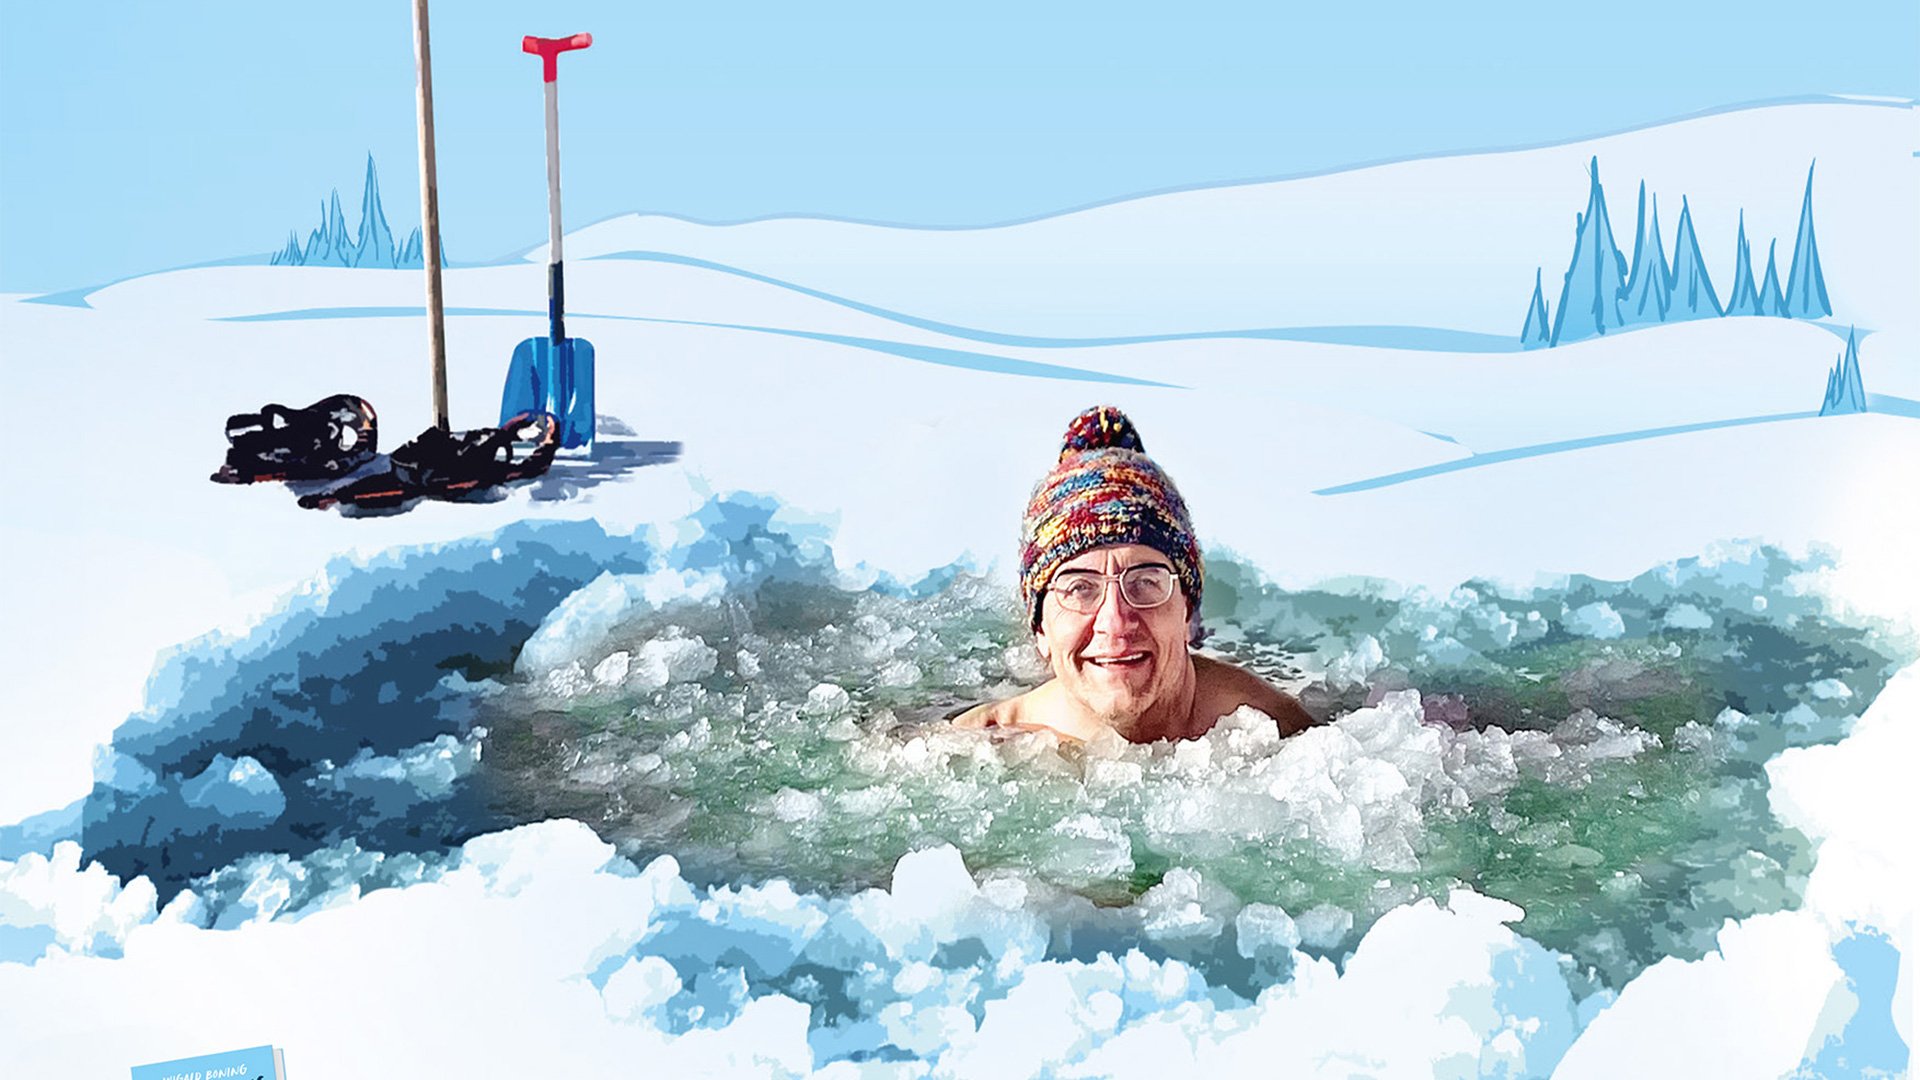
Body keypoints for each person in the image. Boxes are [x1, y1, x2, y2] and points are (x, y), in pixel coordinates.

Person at [955, 405, 1316, 743]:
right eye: (1080, 588)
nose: (1114, 621)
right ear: (1040, 630)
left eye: (1144, 583)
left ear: (1188, 614)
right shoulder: (980, 743)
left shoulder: (1279, 734)